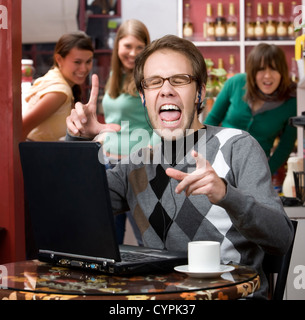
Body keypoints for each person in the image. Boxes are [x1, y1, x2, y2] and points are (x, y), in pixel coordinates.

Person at [66, 35, 294, 299]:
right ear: (143, 96)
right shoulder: (136, 164)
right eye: (154, 82)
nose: (166, 90)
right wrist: (78, 139)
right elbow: (74, 211)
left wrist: (226, 194)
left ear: (199, 92)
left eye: (180, 79)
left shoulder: (238, 147)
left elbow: (281, 239)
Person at [71, 20, 159, 245]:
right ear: (117, 45)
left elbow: (160, 121)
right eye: (128, 46)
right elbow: (112, 121)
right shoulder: (113, 77)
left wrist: (150, 150)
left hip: (137, 168)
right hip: (107, 163)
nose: (133, 53)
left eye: (140, 47)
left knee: (147, 238)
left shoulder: (150, 80)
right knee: (110, 241)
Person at [204, 43, 297, 175]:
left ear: (282, 72)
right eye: (261, 69)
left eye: (274, 69)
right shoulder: (235, 83)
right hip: (217, 164)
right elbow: (212, 120)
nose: (268, 76)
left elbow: (285, 146)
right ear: (252, 71)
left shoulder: (291, 102)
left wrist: (265, 174)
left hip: (256, 169)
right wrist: (202, 159)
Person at [22, 31, 94, 141]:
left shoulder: (56, 79)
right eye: (77, 62)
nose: (84, 69)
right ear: (59, 59)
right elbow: (21, 128)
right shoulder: (60, 92)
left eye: (88, 61)